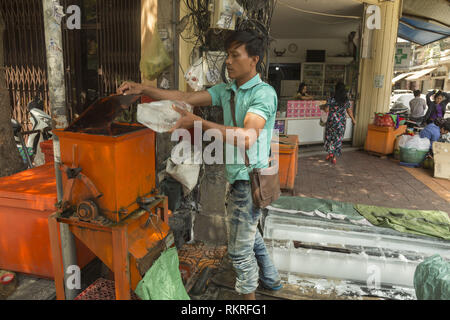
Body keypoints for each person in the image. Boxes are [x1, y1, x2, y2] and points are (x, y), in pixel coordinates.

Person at [117, 30, 281, 300]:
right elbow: (184, 96)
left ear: (254, 60)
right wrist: (142, 88)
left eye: (234, 55)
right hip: (240, 178)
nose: (228, 61)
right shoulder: (228, 89)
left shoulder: (262, 94)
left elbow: (248, 137)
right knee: (250, 236)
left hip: (250, 180)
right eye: (227, 55)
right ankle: (272, 282)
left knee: (240, 251)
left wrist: (199, 124)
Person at [324, 82, 356, 164]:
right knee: (337, 139)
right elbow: (349, 111)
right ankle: (334, 156)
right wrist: (353, 119)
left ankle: (330, 153)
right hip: (341, 123)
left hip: (331, 122)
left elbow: (326, 110)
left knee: (330, 137)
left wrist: (325, 107)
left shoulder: (331, 99)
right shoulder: (346, 100)